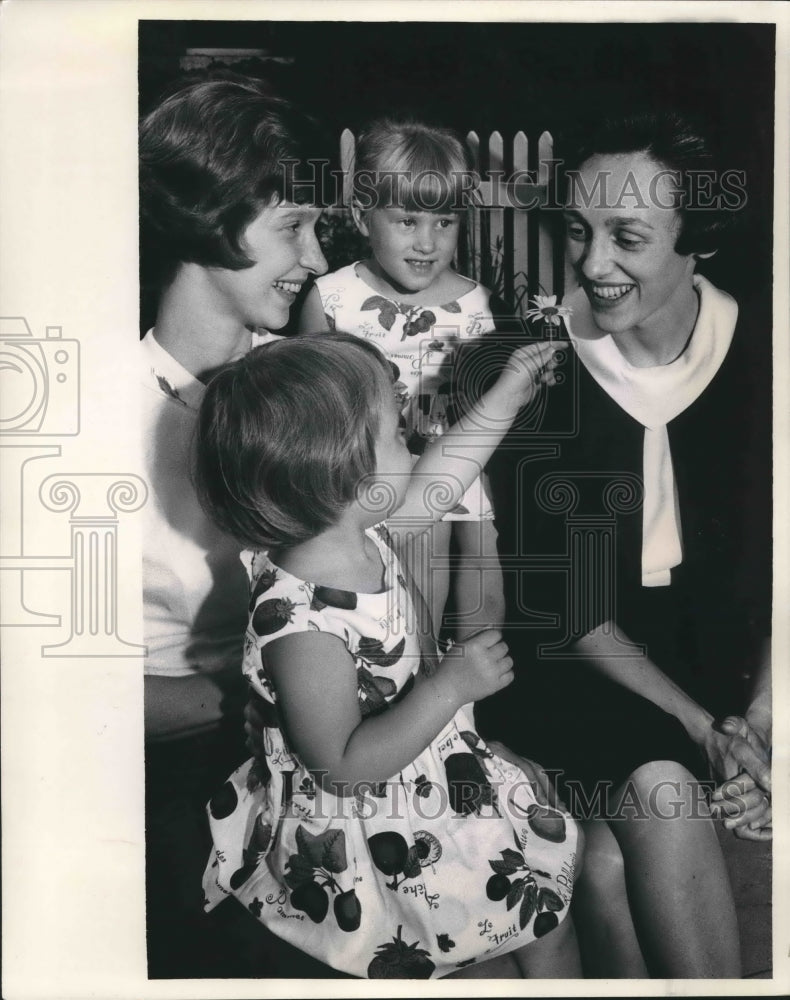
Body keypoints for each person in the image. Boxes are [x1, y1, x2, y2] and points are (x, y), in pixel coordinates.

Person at [194, 331, 584, 979]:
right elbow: (344, 768)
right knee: (443, 947)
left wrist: (508, 391)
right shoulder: (300, 619)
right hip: (380, 832)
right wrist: (448, 688)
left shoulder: (354, 533)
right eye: (395, 431)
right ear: (343, 469)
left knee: (544, 920)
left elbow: (444, 474)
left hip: (432, 775)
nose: (412, 438)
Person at [482, 108, 772, 977]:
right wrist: (705, 730)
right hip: (579, 662)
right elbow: (566, 610)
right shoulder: (538, 369)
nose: (592, 263)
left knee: (607, 867)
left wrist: (760, 718)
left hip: (722, 667)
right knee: (665, 787)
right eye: (581, 231)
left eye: (628, 237)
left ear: (699, 242)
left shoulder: (767, 356)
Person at [138, 75, 330, 977]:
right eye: (293, 226)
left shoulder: (299, 390)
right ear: (210, 217)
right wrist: (257, 710)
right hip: (170, 778)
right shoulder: (88, 423)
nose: (319, 259)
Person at [299, 118, 506, 641]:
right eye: (407, 220)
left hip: (454, 462)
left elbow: (488, 404)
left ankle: (469, 688)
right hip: (366, 470)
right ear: (362, 217)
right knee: (408, 565)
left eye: (445, 222)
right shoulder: (332, 298)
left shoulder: (478, 303)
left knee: (481, 552)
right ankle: (415, 671)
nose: (427, 242)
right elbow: (314, 413)